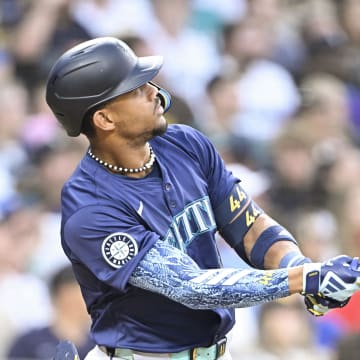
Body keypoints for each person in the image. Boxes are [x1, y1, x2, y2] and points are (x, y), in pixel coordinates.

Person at [45, 36, 360, 360]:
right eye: (138, 89)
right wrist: (303, 279)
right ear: (105, 119)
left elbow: (249, 226)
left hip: (218, 351)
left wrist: (301, 267)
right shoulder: (89, 207)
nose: (156, 92)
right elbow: (192, 287)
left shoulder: (186, 144)